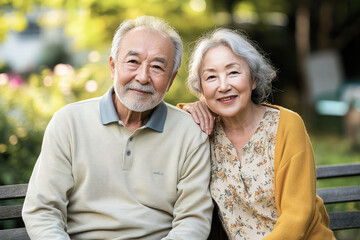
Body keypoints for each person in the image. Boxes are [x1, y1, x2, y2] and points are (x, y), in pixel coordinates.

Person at [22, 15, 213, 240]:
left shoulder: (190, 133)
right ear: (113, 66)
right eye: (133, 62)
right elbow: (43, 210)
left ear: (171, 80)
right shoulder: (69, 122)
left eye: (157, 67)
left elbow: (193, 221)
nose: (142, 77)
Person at [178, 28, 335, 239]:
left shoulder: (286, 125)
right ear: (202, 90)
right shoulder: (203, 130)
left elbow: (297, 217)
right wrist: (187, 109)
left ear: (253, 80)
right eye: (211, 77)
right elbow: (165, 126)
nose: (223, 86)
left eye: (233, 72)